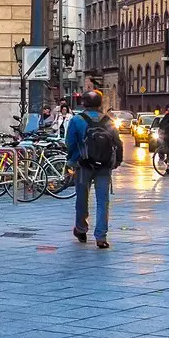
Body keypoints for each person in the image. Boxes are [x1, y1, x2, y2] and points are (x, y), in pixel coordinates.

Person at [67, 90, 121, 248]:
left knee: (82, 198)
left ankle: (81, 229)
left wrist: (72, 160)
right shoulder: (108, 121)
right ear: (100, 103)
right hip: (104, 166)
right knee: (103, 201)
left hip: (83, 165)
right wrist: (117, 161)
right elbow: (117, 143)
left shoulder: (77, 120)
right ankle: (101, 237)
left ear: (83, 103)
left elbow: (70, 142)